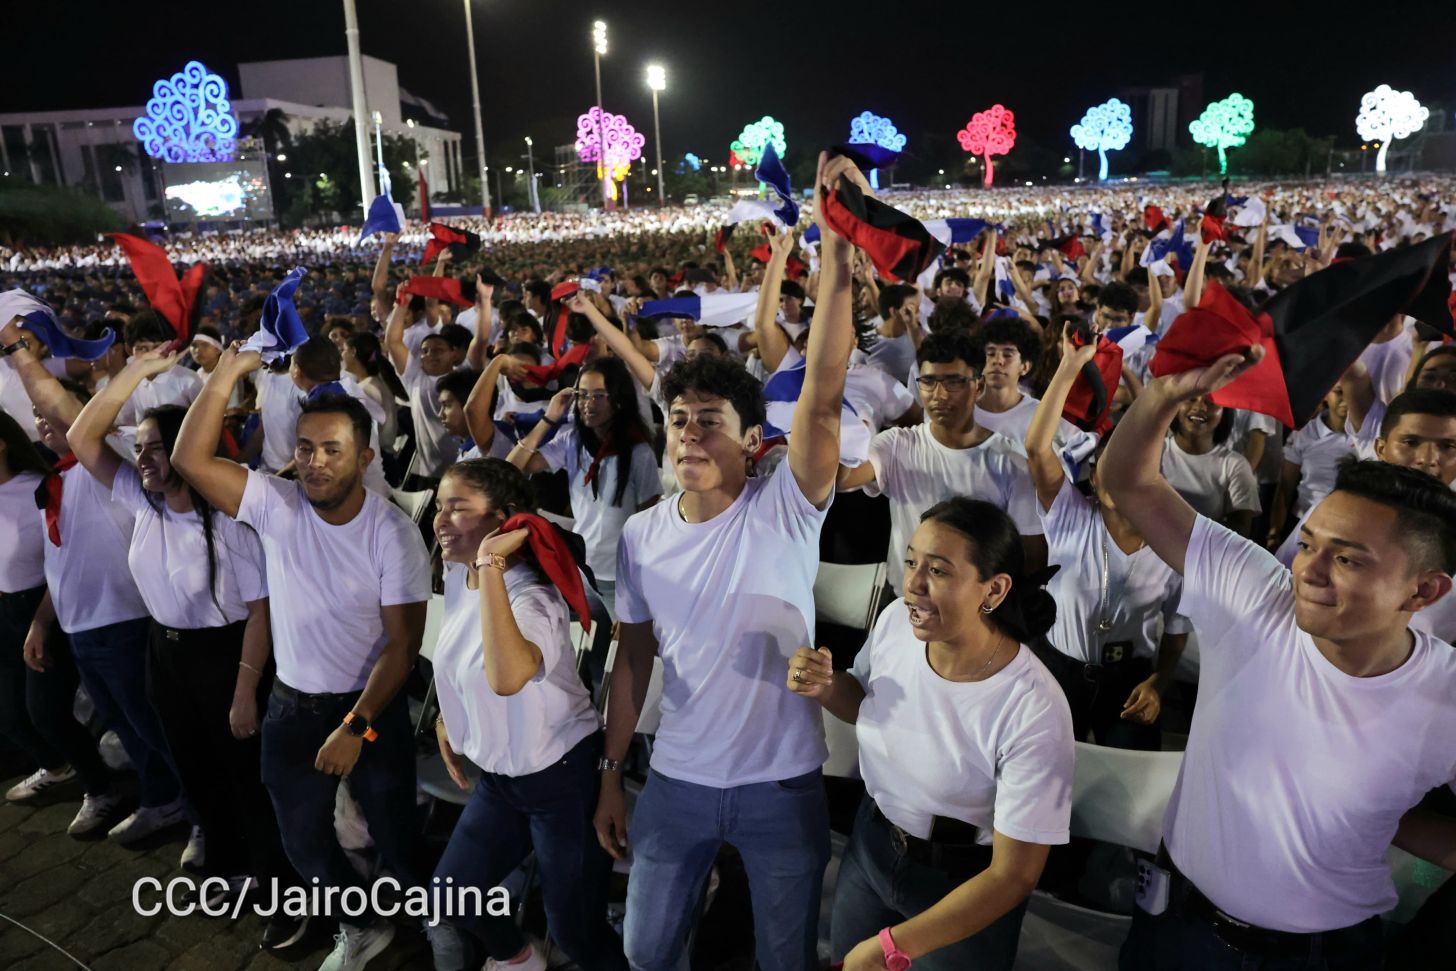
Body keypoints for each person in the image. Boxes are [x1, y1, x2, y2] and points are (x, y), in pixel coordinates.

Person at [1101, 348, 1456, 970]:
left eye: (1346, 559)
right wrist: (1161, 397)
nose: (1308, 571)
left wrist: (1371, 812)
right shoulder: (1255, 594)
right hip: (1175, 929)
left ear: (1423, 591)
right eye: (1310, 543)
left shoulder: (1446, 698)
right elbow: (1131, 483)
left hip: (1322, 956)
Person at [594, 152, 862, 971]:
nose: (688, 434)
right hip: (675, 777)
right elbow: (632, 660)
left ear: (753, 440)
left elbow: (820, 385)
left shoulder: (786, 504)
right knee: (645, 950)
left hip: (782, 784)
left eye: (710, 420)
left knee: (783, 959)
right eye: (678, 420)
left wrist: (838, 250)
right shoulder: (641, 534)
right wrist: (613, 772)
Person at [174, 347, 431, 971]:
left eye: (332, 449)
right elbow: (189, 459)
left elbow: (404, 648)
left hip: (369, 711)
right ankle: (364, 922)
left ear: (366, 458)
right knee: (303, 840)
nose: (314, 462)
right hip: (292, 707)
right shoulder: (277, 504)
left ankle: (435, 925)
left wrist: (358, 726)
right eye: (306, 447)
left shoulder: (390, 534)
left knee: (397, 832)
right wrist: (227, 374)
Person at [65, 351, 303, 948]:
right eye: (139, 448)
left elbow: (260, 610)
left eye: (154, 447)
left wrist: (246, 689)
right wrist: (133, 376)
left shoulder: (228, 522)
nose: (142, 458)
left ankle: (283, 891)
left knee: (246, 777)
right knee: (197, 770)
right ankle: (230, 866)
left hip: (227, 658)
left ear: (183, 453)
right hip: (164, 655)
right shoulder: (141, 502)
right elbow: (81, 434)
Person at [788, 498, 1073, 970]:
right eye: (910, 562)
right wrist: (826, 686)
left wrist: (890, 948)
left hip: (964, 881)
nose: (913, 585)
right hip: (874, 843)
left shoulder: (1032, 707)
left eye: (938, 571)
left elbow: (1013, 875)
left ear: (994, 589)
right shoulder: (897, 622)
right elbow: (865, 703)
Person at [427, 459, 626, 971]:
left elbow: (507, 676)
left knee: (575, 931)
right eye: (439, 505)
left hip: (560, 778)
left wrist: (493, 565)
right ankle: (519, 959)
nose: (440, 518)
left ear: (503, 521)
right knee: (453, 892)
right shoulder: (460, 574)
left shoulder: (533, 597)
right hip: (501, 779)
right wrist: (449, 716)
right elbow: (458, 656)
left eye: (458, 508)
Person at [0, 318, 188, 845]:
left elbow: (67, 411)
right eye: (36, 416)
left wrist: (18, 350)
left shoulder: (109, 464)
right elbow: (62, 564)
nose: (41, 421)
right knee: (130, 730)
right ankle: (163, 800)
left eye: (50, 412)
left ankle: (204, 818)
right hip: (82, 629)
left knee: (158, 730)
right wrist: (42, 621)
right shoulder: (56, 480)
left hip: (125, 623)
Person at [1024, 329, 1188, 748]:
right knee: (1049, 784)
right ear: (1093, 477)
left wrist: (1158, 683)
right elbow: (1037, 448)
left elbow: (1175, 629)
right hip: (1056, 669)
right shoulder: (1069, 516)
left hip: (1131, 681)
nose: (1118, 476)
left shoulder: (1176, 545)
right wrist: (1070, 366)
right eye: (1108, 465)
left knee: (1126, 797)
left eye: (1133, 467)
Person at [838, 329, 1045, 597]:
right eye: (929, 381)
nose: (939, 394)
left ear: (978, 386)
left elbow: (1032, 554)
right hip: (906, 601)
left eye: (954, 382)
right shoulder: (897, 445)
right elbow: (842, 478)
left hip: (977, 613)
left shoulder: (1011, 462)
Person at [0, 411, 113, 814]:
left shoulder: (38, 488)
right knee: (11, 717)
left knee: (45, 712)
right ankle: (56, 766)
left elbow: (61, 557)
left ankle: (102, 787)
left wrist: (40, 621)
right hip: (5, 609)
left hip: (43, 605)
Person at [506, 356, 661, 620]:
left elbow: (648, 525)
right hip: (580, 568)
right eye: (582, 395)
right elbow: (511, 469)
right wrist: (549, 418)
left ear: (618, 399)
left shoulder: (638, 451)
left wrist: (634, 588)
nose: (588, 404)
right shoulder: (572, 441)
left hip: (618, 577)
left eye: (599, 395)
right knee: (580, 646)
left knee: (617, 653)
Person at [1160, 393, 1260, 537]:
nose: (1199, 407)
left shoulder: (1235, 465)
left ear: (1225, 412)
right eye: (1191, 399)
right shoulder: (1154, 453)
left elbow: (1240, 529)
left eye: (1211, 402)